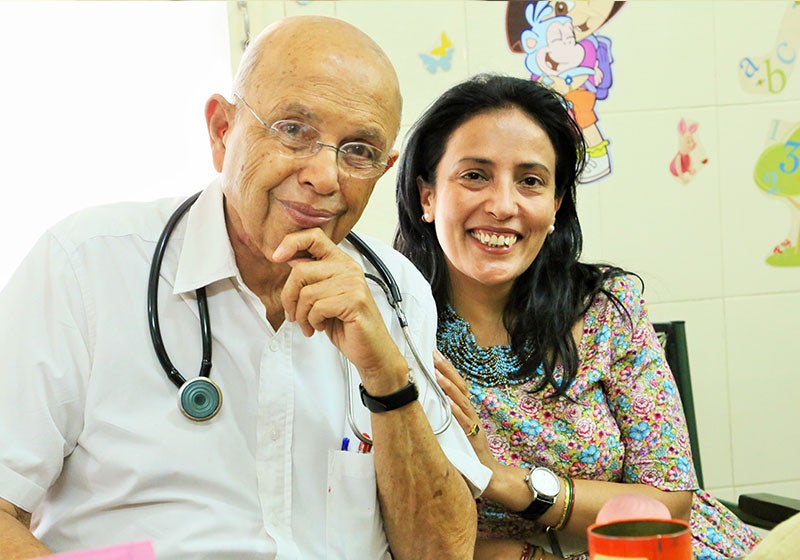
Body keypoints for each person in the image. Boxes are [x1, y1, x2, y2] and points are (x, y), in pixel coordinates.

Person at [0, 16, 490, 560]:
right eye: (294, 130)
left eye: (357, 150)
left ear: (384, 169)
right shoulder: (86, 265)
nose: (325, 176)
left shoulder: (397, 294)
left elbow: (441, 553)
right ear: (221, 130)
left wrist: (384, 377)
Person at [394, 74, 761, 560]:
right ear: (427, 196)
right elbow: (405, 533)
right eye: (475, 175)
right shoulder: (390, 332)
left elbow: (669, 503)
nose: (504, 205)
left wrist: (505, 482)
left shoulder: (608, 307)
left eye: (530, 181)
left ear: (555, 205)